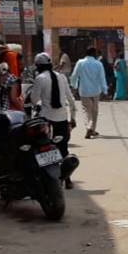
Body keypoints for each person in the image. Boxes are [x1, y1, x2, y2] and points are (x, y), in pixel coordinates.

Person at [26, 52, 77, 188]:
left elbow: (33, 100)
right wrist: (72, 118)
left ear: (38, 66)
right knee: (63, 148)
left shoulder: (40, 78)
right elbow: (71, 99)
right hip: (62, 119)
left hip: (46, 119)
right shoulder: (62, 77)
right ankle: (67, 180)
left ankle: (47, 179)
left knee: (43, 148)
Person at [71, 45, 109, 138]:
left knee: (86, 111)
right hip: (96, 91)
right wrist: (105, 90)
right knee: (94, 111)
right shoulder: (98, 64)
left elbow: (74, 75)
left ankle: (89, 127)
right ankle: (92, 129)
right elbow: (102, 78)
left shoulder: (80, 63)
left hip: (84, 91)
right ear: (94, 54)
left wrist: (74, 85)